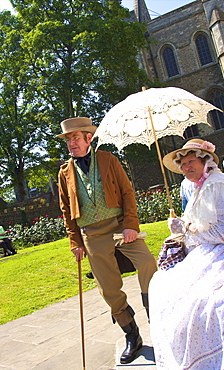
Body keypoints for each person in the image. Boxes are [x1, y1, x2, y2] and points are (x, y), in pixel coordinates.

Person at [56, 117, 157, 364]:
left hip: (121, 226)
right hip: (92, 234)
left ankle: (159, 320)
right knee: (109, 288)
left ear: (88, 138)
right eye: (68, 140)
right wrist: (75, 242)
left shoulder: (108, 160)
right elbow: (66, 210)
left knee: (147, 263)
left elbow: (127, 192)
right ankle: (132, 336)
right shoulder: (64, 172)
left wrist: (131, 226)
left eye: (75, 138)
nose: (71, 143)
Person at [149, 138, 224, 369]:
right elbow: (201, 223)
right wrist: (181, 225)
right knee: (161, 285)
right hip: (208, 249)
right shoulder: (200, 186)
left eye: (191, 162)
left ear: (205, 161)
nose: (186, 168)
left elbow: (221, 234)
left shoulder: (216, 185)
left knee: (193, 301)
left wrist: (186, 231)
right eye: (183, 164)